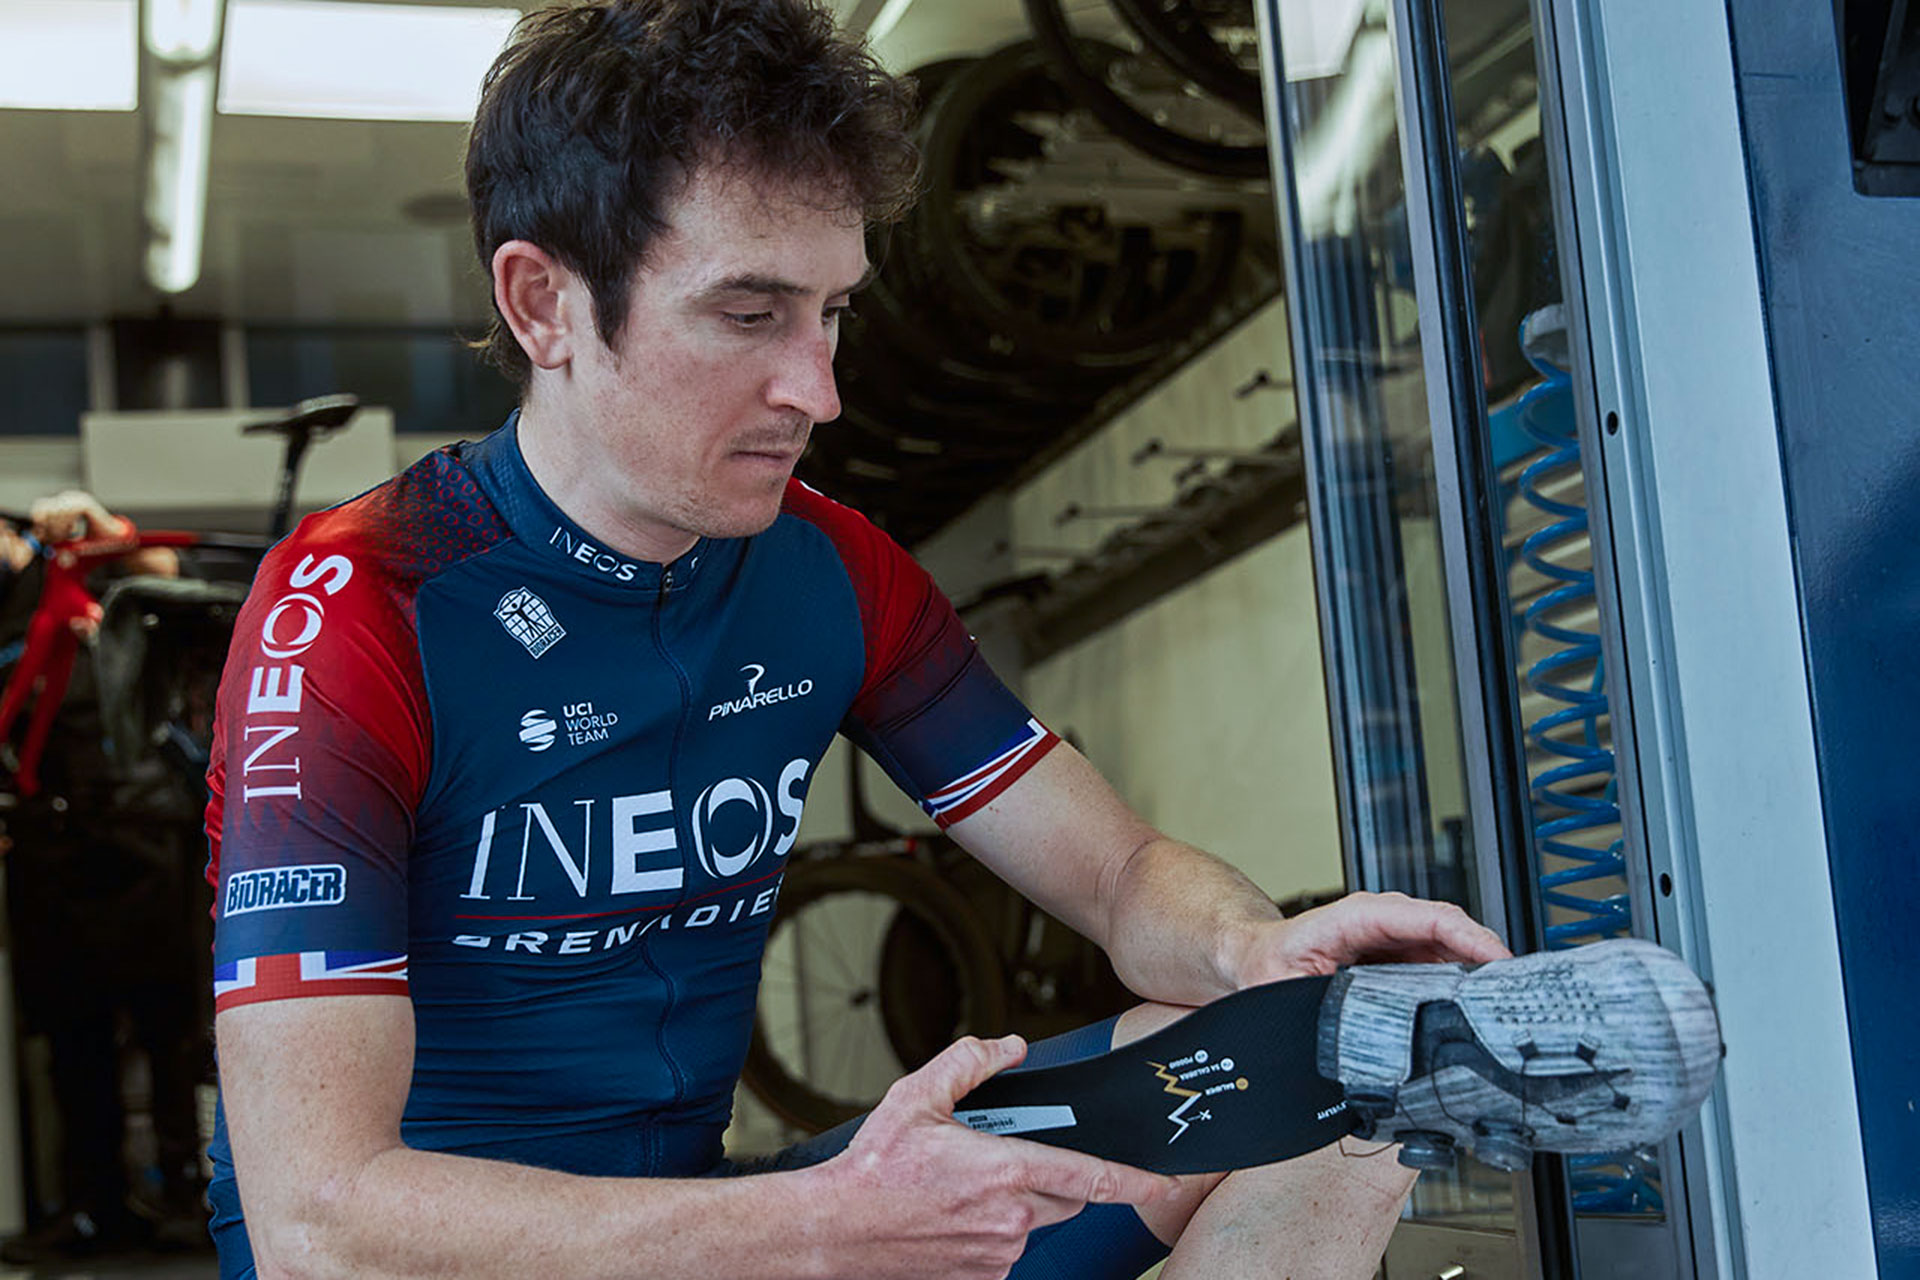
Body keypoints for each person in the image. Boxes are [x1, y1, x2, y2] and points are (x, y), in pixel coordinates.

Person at [204, 3, 1511, 1277]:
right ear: (544, 303)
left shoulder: (828, 569)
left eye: (831, 313)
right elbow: (323, 1225)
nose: (817, 390)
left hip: (718, 1226)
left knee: (1315, 1069)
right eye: (749, 314)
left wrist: (1254, 951)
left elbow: (1119, 874)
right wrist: (824, 1226)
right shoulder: (358, 609)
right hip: (461, 1259)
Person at [0, 492, 209, 1263]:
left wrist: (96, 520)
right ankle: (95, 1207)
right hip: (46, 840)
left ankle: (190, 1195)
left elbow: (167, 570)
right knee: (70, 1035)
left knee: (170, 1026)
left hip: (142, 827)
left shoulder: (80, 563)